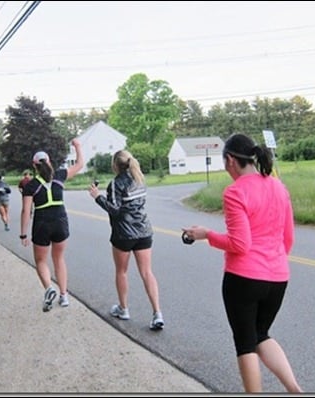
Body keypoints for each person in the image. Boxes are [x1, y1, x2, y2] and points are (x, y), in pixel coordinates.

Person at [181, 133, 302, 393]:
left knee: (246, 343)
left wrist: (206, 235)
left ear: (230, 160)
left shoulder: (235, 192)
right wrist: (274, 260)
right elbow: (288, 237)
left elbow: (240, 244)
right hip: (278, 277)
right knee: (261, 335)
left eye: (224, 162)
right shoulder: (278, 186)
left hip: (244, 278)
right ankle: (295, 389)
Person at [88, 149, 164, 331]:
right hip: (144, 231)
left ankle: (123, 308)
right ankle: (157, 313)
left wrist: (97, 197)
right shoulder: (140, 179)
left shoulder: (116, 184)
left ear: (115, 165)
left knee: (121, 271)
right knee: (147, 272)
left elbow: (115, 210)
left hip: (123, 234)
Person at [20, 139, 84, 312]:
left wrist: (23, 234)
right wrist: (77, 147)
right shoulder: (60, 176)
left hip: (42, 223)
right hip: (60, 221)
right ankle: (64, 296)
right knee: (59, 259)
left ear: (34, 166)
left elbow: (26, 211)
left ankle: (49, 288)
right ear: (49, 162)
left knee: (41, 260)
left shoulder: (30, 186)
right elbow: (79, 164)